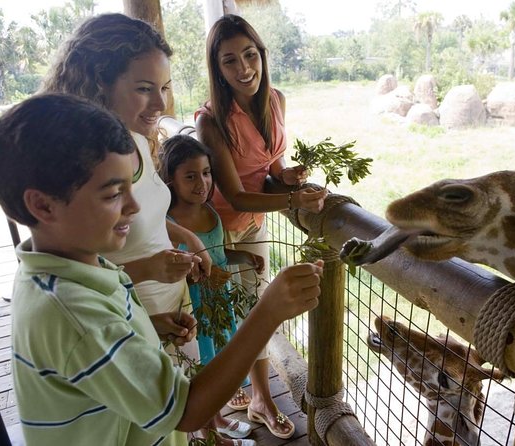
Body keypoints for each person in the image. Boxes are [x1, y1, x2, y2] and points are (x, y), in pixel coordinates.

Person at [0, 93, 322, 446]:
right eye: (112, 194)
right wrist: (268, 311)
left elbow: (96, 342)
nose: (135, 207)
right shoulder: (76, 318)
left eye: (130, 187)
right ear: (43, 205)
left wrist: (146, 328)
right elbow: (186, 411)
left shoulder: (67, 269)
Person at [40, 13, 211, 363]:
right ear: (100, 82)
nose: (161, 105)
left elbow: (143, 213)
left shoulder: (134, 138)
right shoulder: (82, 167)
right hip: (125, 322)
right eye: (144, 89)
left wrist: (186, 237)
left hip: (167, 310)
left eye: (164, 88)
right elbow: (71, 282)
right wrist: (149, 270)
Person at [195, 14, 327, 439]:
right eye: (230, 61)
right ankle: (253, 400)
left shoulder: (276, 100)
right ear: (218, 69)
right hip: (220, 229)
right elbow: (234, 195)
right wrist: (290, 200)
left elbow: (269, 166)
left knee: (254, 305)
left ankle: (253, 396)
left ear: (262, 55)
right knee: (237, 312)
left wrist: (285, 177)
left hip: (256, 221)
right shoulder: (210, 121)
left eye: (250, 55)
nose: (244, 68)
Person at [160, 134, 265, 440]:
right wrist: (202, 276)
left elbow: (216, 254)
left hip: (219, 306)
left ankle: (216, 418)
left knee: (219, 362)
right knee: (201, 367)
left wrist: (243, 256)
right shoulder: (168, 222)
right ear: (170, 180)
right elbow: (175, 269)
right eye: (190, 176)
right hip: (193, 308)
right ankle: (207, 431)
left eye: (206, 174)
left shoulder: (210, 213)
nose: (201, 183)